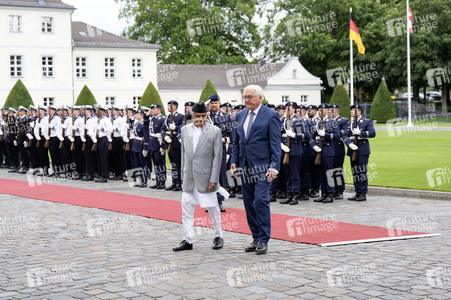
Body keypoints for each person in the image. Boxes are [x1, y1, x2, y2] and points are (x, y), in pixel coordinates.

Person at [231, 84, 281, 255]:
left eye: (250, 97)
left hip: (263, 167)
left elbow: (275, 144)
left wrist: (274, 166)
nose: (246, 100)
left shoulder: (271, 115)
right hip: (244, 166)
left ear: (260, 98)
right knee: (249, 202)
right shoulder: (240, 115)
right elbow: (237, 141)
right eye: (245, 97)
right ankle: (255, 236)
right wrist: (234, 161)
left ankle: (264, 239)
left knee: (260, 200)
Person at [173, 102, 224, 252]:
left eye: (203, 116)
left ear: (207, 115)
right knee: (186, 208)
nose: (200, 119)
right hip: (189, 176)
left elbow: (217, 157)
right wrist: (183, 174)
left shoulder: (215, 131)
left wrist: (214, 178)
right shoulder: (184, 130)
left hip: (207, 177)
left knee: (213, 208)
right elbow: (184, 154)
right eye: (197, 116)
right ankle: (187, 239)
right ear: (192, 116)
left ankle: (218, 236)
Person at [344, 104, 376, 201]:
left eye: (354, 110)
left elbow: (372, 133)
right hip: (352, 149)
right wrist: (349, 144)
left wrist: (360, 133)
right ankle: (357, 191)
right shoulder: (350, 123)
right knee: (355, 172)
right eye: (351, 110)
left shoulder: (366, 122)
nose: (352, 112)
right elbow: (345, 136)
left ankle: (362, 193)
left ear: (359, 111)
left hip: (362, 149)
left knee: (361, 172)